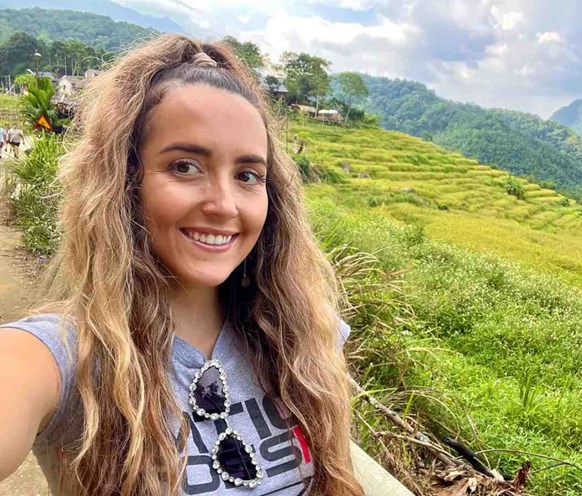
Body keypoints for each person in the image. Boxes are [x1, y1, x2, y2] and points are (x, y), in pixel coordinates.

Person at [0, 35, 364, 496]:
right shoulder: (65, 359)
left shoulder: (308, 339)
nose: (224, 204)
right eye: (185, 167)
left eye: (247, 175)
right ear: (124, 180)